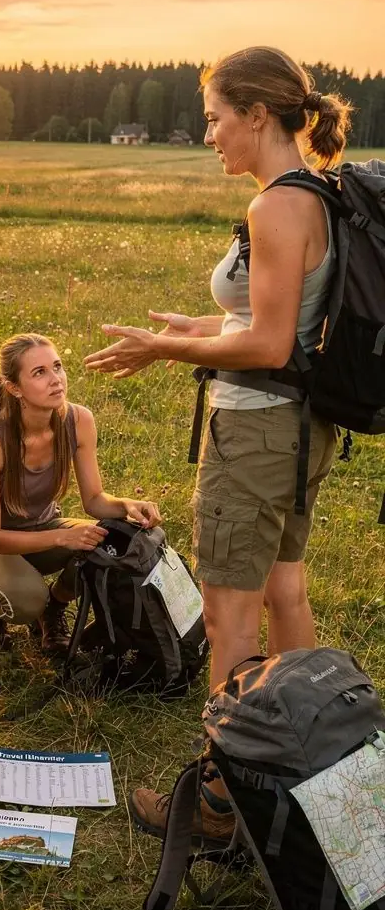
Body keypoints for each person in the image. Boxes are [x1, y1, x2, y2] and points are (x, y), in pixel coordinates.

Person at [85, 45, 351, 844]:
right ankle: (303, 767)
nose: (209, 135)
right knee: (285, 594)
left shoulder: (277, 207)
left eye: (215, 118)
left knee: (230, 619)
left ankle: (219, 802)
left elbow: (269, 344)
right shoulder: (318, 193)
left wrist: (167, 352)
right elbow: (284, 323)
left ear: (257, 115)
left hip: (258, 431)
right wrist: (196, 328)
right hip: (303, 429)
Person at [0, 332, 161, 652]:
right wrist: (61, 538)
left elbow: (94, 500)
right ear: (13, 388)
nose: (56, 380)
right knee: (27, 600)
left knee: (112, 540)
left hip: (39, 528)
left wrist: (126, 505)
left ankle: (54, 607)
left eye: (57, 367)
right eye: (39, 373)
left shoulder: (78, 420)